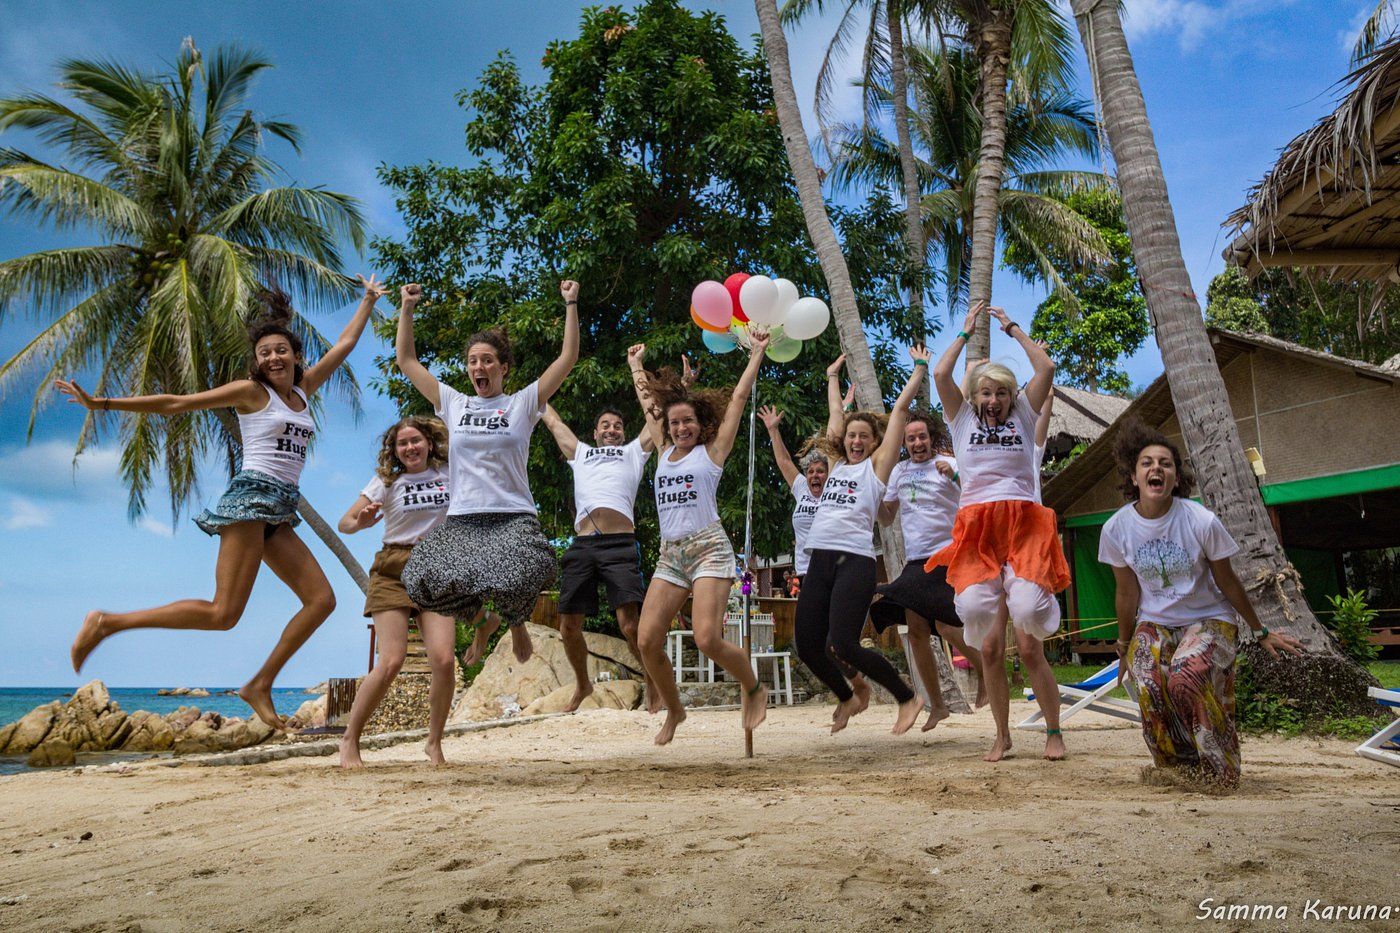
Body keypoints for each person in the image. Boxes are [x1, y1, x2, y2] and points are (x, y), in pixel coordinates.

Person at [58, 275, 385, 729]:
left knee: (320, 600)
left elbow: (345, 344)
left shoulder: (303, 392)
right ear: (257, 362)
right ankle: (107, 623)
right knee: (222, 613)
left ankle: (259, 685)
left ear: (295, 355)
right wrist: (103, 404)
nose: (272, 357)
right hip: (251, 499)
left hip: (280, 507)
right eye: (264, 353)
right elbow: (177, 402)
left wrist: (367, 300)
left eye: (280, 350)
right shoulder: (252, 394)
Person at [1101, 420, 1302, 788]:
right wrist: (1125, 645)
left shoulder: (1200, 520)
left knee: (1186, 675)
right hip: (1155, 621)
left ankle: (1219, 768)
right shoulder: (1116, 529)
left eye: (1165, 463)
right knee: (1147, 678)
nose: (1156, 468)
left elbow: (1227, 580)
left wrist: (1260, 631)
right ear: (1133, 476)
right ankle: (1174, 769)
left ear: (1176, 479)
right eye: (1147, 463)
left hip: (1209, 618)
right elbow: (1126, 592)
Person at [396, 280, 580, 660]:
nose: (479, 367)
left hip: (513, 514)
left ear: (503, 368)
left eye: (488, 360)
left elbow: (567, 359)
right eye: (473, 361)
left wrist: (571, 304)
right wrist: (407, 309)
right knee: (420, 579)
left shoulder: (523, 403)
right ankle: (484, 622)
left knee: (534, 568)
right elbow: (407, 362)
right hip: (464, 518)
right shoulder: (453, 402)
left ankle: (515, 621)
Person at [927, 303, 1070, 762]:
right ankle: (1002, 735)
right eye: (985, 393)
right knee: (985, 639)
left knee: (1028, 633)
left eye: (1001, 394)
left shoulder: (1025, 416)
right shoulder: (962, 419)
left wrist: (1011, 328)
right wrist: (966, 334)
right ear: (975, 397)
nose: (993, 400)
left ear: (1012, 397)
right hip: (978, 527)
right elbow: (941, 374)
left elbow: (1045, 366)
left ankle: (1053, 731)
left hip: (1024, 524)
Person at [628, 337, 771, 746]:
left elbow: (740, 397)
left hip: (709, 548)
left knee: (707, 638)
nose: (679, 428)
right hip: (671, 555)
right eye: (674, 423)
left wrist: (756, 354)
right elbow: (648, 405)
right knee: (646, 639)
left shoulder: (712, 452)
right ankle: (675, 709)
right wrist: (636, 365)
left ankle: (753, 686)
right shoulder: (662, 450)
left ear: (700, 423)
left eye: (687, 421)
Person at [797, 348, 930, 736]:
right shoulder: (836, 464)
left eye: (863, 437)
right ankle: (849, 694)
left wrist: (918, 370)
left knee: (844, 643)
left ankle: (907, 697)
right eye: (852, 436)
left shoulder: (876, 469)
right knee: (809, 647)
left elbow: (901, 412)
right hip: (819, 559)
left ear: (874, 443)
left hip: (855, 561)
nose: (855, 440)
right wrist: (832, 378)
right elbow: (836, 419)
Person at [335, 417, 455, 768]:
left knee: (444, 660)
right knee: (391, 661)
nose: (410, 448)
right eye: (402, 444)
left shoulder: (449, 473)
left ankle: (433, 743)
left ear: (429, 443)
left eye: (416, 440)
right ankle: (349, 740)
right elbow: (345, 523)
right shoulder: (386, 481)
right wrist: (362, 522)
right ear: (395, 450)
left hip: (437, 566)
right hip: (393, 568)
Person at [539, 397, 661, 714]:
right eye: (605, 425)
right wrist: (536, 393)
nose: (612, 429)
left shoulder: (633, 453)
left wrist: (682, 388)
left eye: (617, 425)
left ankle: (652, 680)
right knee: (568, 626)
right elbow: (553, 421)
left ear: (623, 433)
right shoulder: (581, 454)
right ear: (595, 433)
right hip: (583, 546)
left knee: (631, 626)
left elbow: (657, 421)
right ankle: (583, 684)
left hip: (619, 544)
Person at [871, 410, 988, 731]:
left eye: (922, 436)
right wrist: (872, 494)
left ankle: (985, 673)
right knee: (917, 631)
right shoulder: (899, 471)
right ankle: (937, 705)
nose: (917, 443)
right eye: (911, 439)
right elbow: (886, 516)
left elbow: (978, 496)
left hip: (949, 556)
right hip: (916, 561)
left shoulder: (950, 463)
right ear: (904, 442)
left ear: (932, 437)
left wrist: (953, 477)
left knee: (948, 627)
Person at [758, 401, 872, 714]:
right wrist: (773, 431)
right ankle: (852, 688)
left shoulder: (841, 489)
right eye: (810, 471)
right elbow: (782, 461)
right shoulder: (802, 492)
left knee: (835, 643)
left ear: (830, 473)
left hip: (839, 568)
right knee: (809, 645)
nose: (815, 475)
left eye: (821, 470)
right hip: (809, 575)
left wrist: (845, 412)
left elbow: (840, 449)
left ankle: (857, 690)